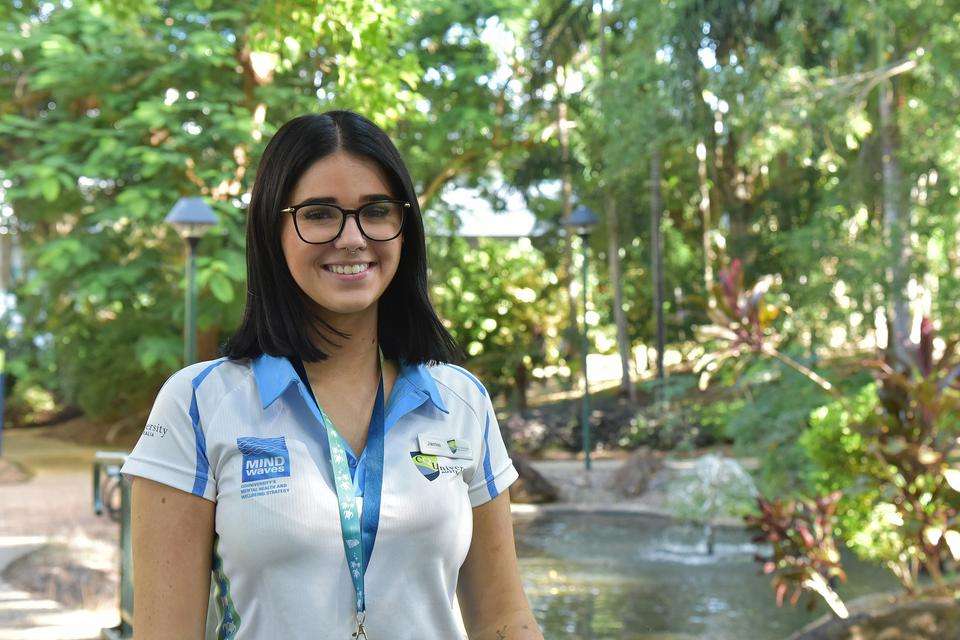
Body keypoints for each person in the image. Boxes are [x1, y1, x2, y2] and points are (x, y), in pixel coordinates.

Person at [120, 110, 544, 639]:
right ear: (272, 230)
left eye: (376, 211)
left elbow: (504, 620)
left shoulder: (460, 401)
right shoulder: (199, 404)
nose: (352, 238)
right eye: (320, 214)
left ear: (403, 227)